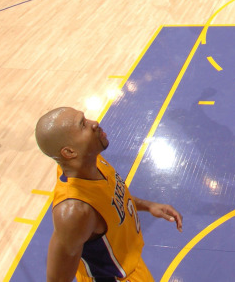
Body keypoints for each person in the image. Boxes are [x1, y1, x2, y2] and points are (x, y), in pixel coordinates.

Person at [35, 107, 182, 282]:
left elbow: (109, 198)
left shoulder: (91, 160)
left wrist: (148, 205)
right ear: (69, 152)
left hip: (129, 266)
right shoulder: (74, 211)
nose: (94, 123)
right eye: (83, 125)